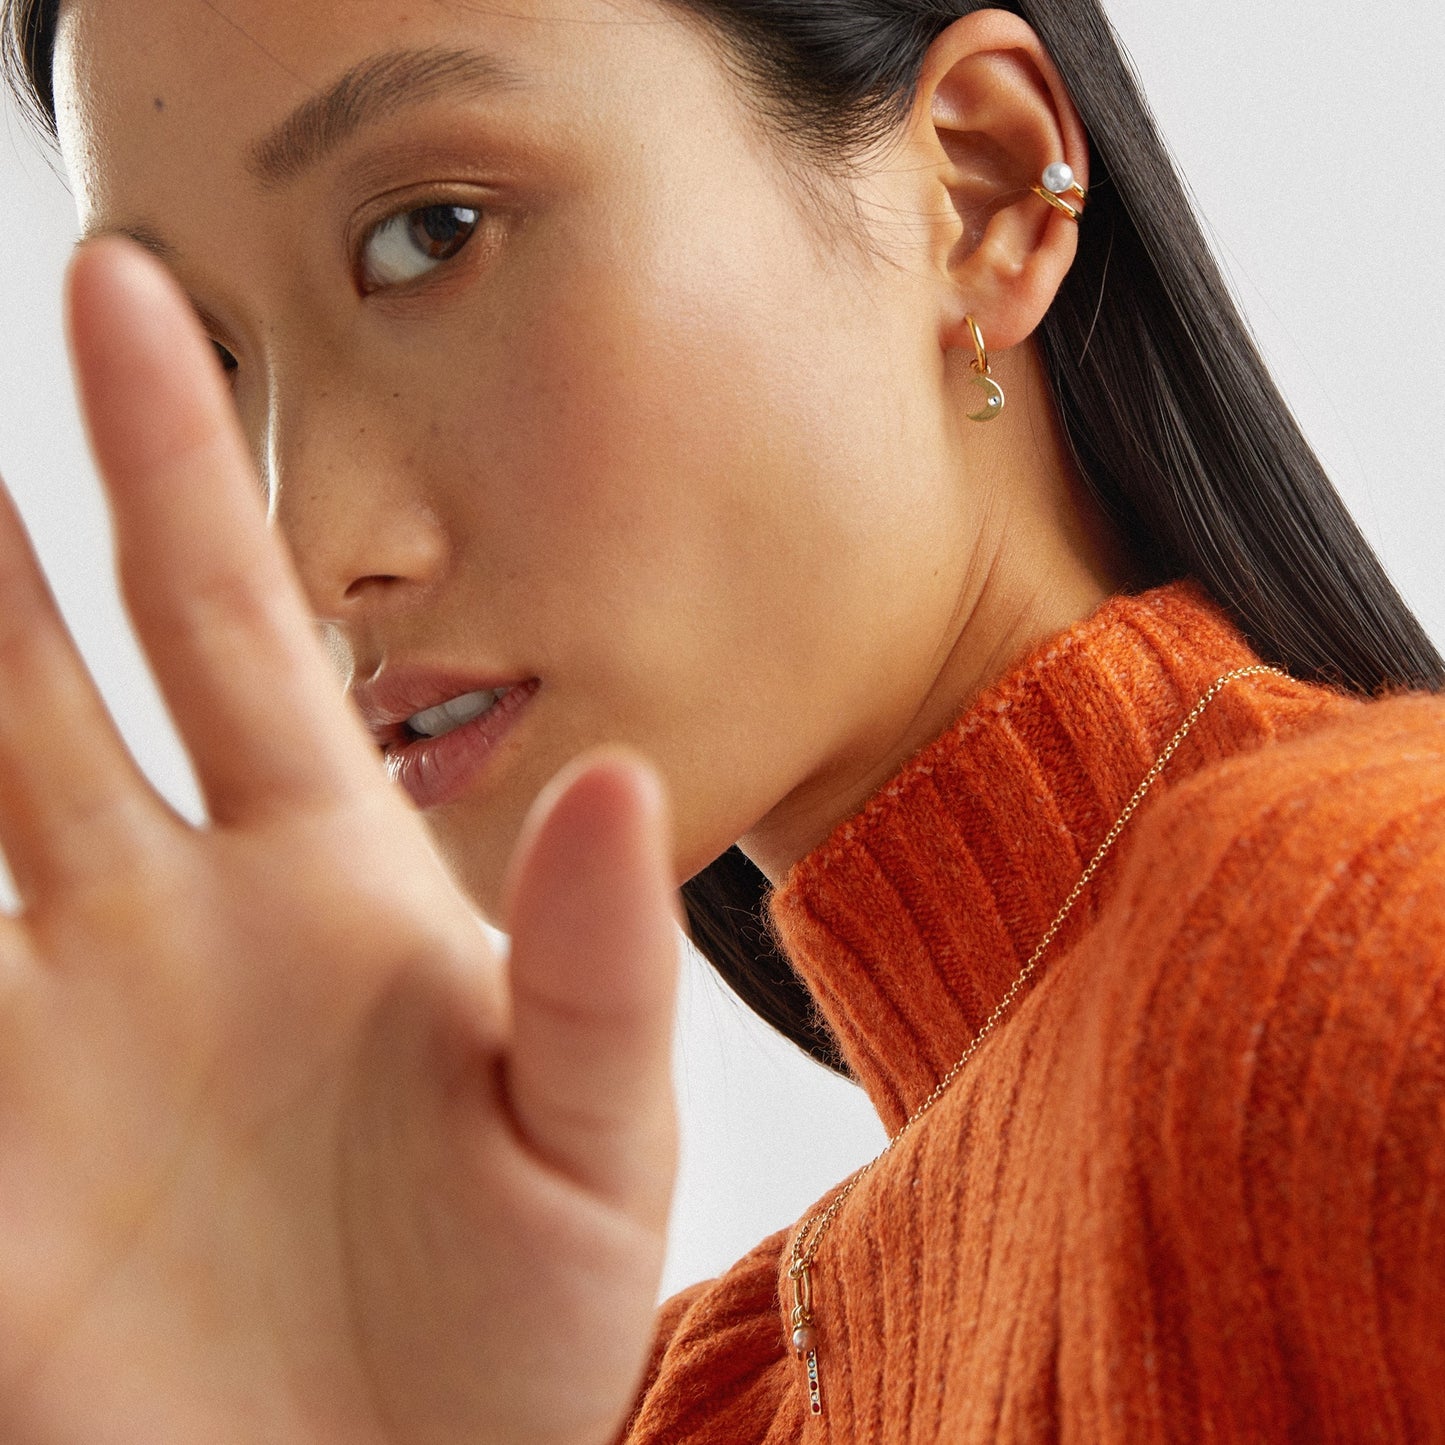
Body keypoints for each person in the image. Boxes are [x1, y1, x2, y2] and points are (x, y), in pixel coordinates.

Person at [0, 0, 1441, 1440]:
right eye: (205, 356)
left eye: (430, 231)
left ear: (979, 189)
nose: (307, 546)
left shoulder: (1356, 960)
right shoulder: (671, 1397)